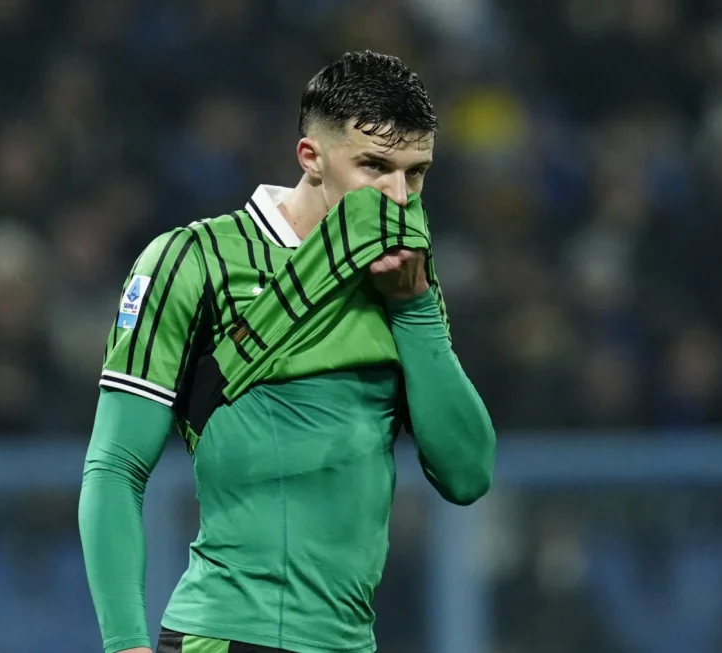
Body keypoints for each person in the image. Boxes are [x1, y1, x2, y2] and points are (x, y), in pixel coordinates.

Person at [79, 50, 496, 653]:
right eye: (374, 166)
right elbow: (115, 466)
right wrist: (125, 644)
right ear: (311, 157)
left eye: (416, 173)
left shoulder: (404, 278)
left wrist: (415, 310)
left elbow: (468, 474)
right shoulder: (196, 260)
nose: (398, 196)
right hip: (226, 636)